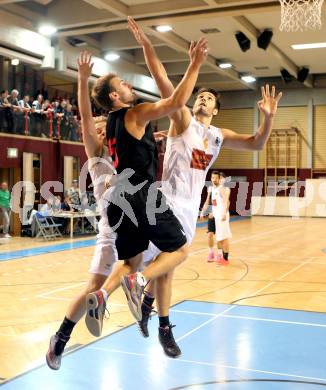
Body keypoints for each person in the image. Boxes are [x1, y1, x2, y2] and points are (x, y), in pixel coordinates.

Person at [126, 17, 283, 353]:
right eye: (200, 96)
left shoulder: (218, 135)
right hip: (164, 200)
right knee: (174, 259)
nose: (202, 99)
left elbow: (256, 144)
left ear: (216, 109)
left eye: (209, 98)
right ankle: (146, 301)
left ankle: (150, 313)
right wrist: (149, 48)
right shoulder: (182, 119)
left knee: (166, 269)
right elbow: (164, 82)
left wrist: (269, 119)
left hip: (187, 207)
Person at [84, 37, 208, 355]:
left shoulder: (113, 124)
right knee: (178, 252)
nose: (128, 84)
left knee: (131, 261)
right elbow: (177, 100)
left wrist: (149, 141)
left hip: (121, 200)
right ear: (115, 96)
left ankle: (106, 296)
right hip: (144, 195)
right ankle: (144, 290)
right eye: (122, 83)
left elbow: (128, 143)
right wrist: (194, 63)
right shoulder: (136, 112)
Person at [46, 53, 120, 371]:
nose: (101, 131)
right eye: (98, 128)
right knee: (93, 287)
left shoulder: (124, 151)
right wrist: (83, 79)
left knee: (161, 263)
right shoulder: (96, 150)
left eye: (106, 128)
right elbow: (88, 116)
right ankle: (61, 338)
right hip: (111, 229)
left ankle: (143, 306)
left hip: (137, 227)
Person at [201, 171, 221, 262]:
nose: (214, 180)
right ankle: (211, 253)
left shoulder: (222, 189)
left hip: (220, 215)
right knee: (209, 235)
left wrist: (216, 211)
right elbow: (207, 201)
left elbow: (224, 203)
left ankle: (220, 254)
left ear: (219, 179)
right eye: (212, 178)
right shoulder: (210, 188)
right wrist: (202, 212)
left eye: (216, 178)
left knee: (220, 237)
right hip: (212, 216)